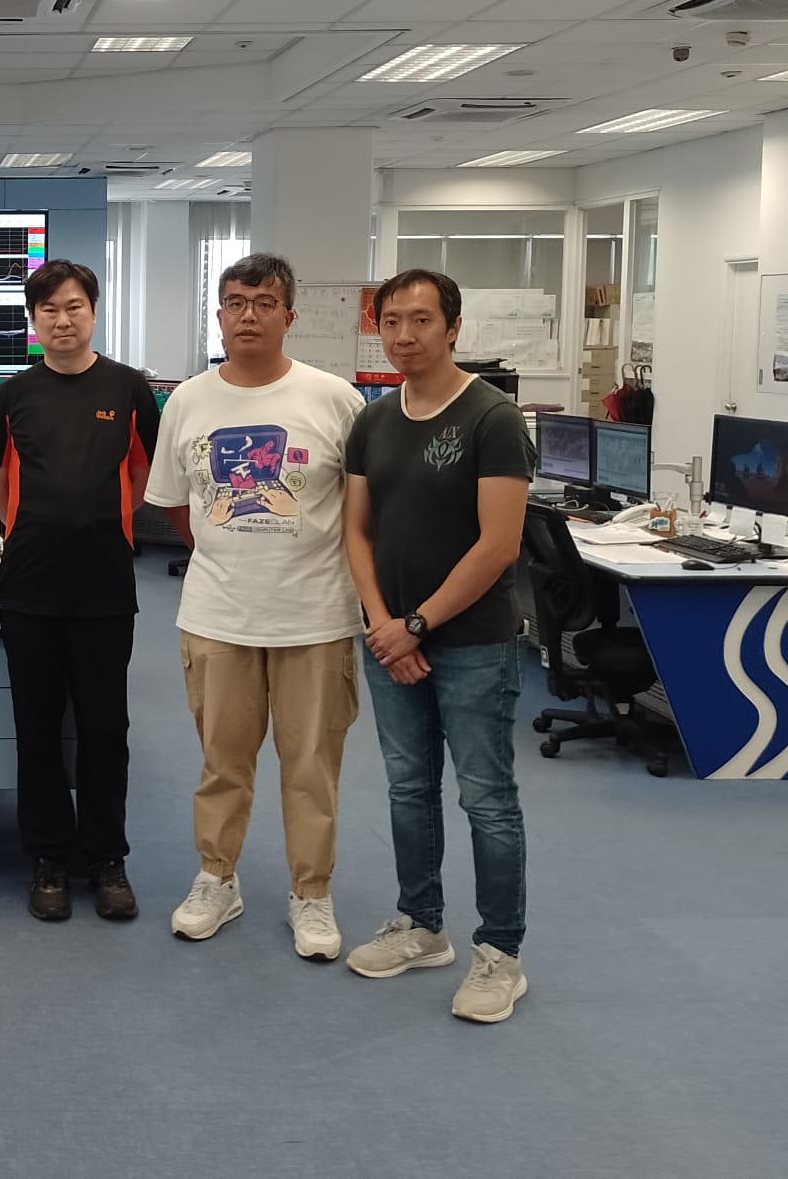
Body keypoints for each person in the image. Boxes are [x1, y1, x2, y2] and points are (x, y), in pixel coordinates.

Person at [145, 254, 367, 961]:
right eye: (235, 302)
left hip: (315, 618)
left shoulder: (335, 400)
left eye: (264, 303)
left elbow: (362, 511)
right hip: (218, 615)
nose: (248, 315)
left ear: (288, 316)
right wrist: (224, 550)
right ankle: (218, 878)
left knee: (311, 768)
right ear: (219, 315)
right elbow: (176, 508)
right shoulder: (188, 401)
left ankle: (312, 892)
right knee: (223, 764)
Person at [342, 268, 535, 1024]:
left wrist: (415, 625)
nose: (404, 335)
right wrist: (383, 625)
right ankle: (422, 926)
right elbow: (357, 531)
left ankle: (500, 953)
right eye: (391, 321)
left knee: (486, 797)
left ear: (452, 327)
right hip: (390, 640)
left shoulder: (492, 418)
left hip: (472, 645)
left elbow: (499, 545)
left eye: (421, 320)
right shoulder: (373, 420)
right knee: (408, 788)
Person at [0, 259, 157, 922]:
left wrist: (100, 523)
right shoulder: (12, 396)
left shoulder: (129, 388)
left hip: (105, 586)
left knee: (106, 729)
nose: (62, 319)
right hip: (30, 586)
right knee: (38, 726)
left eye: (74, 306)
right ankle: (49, 855)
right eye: (48, 309)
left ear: (94, 311)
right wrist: (40, 528)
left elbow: (142, 477)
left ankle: (107, 858)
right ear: (34, 320)